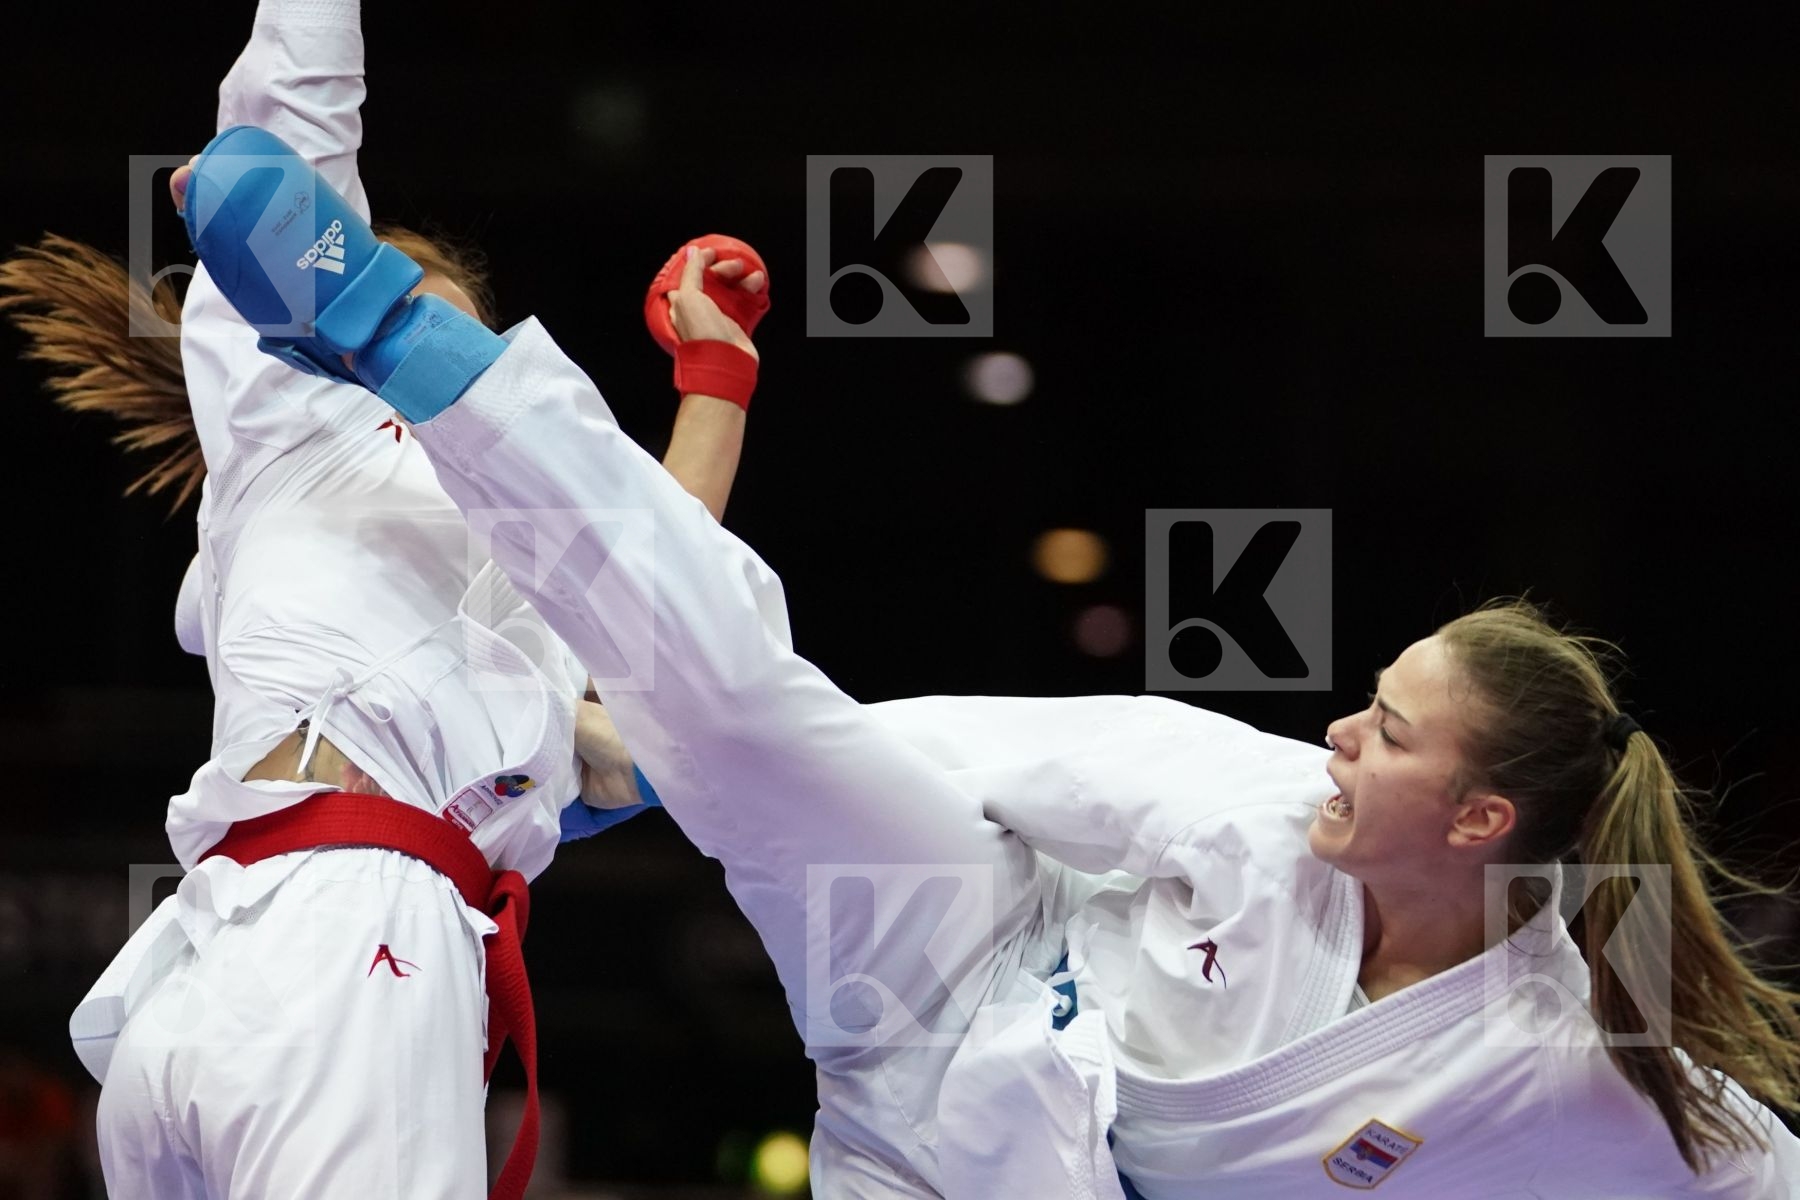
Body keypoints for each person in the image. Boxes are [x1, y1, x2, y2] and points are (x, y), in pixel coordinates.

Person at [178, 85, 1800, 1200]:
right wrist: (662, 761)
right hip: (958, 943)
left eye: (1388, 730)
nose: (1339, 732)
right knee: (758, 710)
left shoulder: (1570, 1056)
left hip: (954, 1160)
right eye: (1367, 703)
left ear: (1480, 818)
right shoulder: (1252, 808)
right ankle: (387, 323)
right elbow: (937, 749)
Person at [0, 2, 766, 1196]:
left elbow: (661, 584)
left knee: (686, 707)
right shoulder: (295, 406)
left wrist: (717, 377)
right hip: (346, 934)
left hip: (230, 973)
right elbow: (290, 124)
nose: (477, 382)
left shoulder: (511, 591)